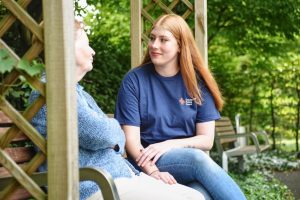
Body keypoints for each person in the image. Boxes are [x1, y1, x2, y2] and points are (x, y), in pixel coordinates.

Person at [29, 18, 205, 200]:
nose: (92, 51)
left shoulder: (76, 92)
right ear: (67, 48)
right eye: (87, 45)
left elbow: (116, 138)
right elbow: (104, 134)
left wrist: (112, 133)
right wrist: (112, 130)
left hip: (117, 178)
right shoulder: (53, 92)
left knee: (194, 195)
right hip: (92, 186)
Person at [115, 14, 246, 200]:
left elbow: (206, 140)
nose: (154, 45)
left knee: (200, 194)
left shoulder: (197, 83)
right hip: (146, 162)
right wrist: (153, 172)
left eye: (163, 40)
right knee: (197, 159)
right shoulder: (134, 80)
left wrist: (169, 145)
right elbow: (132, 142)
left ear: (180, 46)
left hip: (185, 161)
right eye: (152, 38)